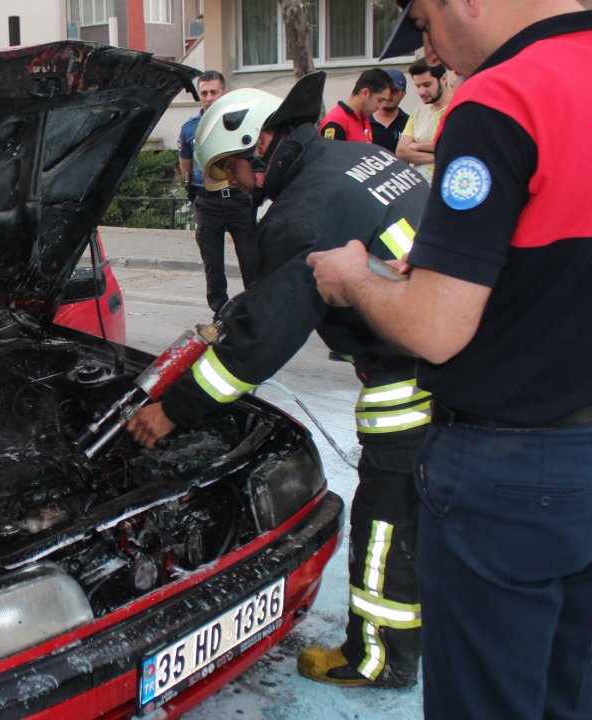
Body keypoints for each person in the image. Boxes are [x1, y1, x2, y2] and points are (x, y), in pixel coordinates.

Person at [307, 1, 592, 717]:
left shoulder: (503, 97)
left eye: (427, 25)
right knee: (564, 683)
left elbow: (434, 330)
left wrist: (354, 279)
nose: (432, 53)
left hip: (514, 473)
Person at [130, 72, 430, 690]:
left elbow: (257, 346)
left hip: (411, 384)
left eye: (231, 172)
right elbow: (272, 302)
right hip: (466, 365)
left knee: (385, 523)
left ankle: (377, 658)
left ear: (258, 146)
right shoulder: (363, 155)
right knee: (436, 518)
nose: (238, 188)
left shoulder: (299, 217)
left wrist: (172, 411)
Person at [179, 71, 261, 306]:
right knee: (213, 266)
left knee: (250, 260)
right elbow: (185, 165)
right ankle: (219, 314)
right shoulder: (189, 128)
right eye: (204, 93)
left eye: (214, 91)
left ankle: (254, 309)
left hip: (238, 199)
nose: (209, 97)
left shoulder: (239, 122)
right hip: (207, 201)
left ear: (224, 93)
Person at [395, 60, 450, 182]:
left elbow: (454, 146)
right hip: (421, 191)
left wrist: (418, 145)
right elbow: (401, 151)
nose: (421, 92)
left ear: (444, 79)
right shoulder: (418, 113)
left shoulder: (459, 109)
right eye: (417, 86)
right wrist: (438, 156)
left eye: (427, 85)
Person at [319, 68, 393, 143]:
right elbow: (332, 153)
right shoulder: (336, 122)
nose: (380, 107)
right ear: (365, 93)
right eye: (380, 100)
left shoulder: (364, 118)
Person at [370, 69, 410, 153]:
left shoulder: (409, 123)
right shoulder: (364, 121)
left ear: (403, 94)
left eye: (394, 91)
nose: (388, 96)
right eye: (385, 90)